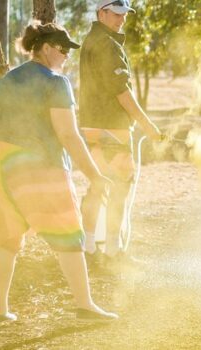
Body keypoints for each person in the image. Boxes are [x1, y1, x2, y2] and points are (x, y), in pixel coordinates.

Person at [0, 22, 117, 322]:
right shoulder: (56, 83)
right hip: (40, 163)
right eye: (62, 49)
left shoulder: (7, 79)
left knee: (6, 237)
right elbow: (68, 135)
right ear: (45, 49)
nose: (67, 55)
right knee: (68, 233)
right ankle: (85, 306)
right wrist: (95, 175)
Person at [78, 0, 163, 259]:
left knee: (97, 184)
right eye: (116, 14)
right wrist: (148, 126)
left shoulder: (91, 40)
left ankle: (89, 247)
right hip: (112, 126)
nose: (122, 19)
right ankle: (113, 250)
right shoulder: (107, 44)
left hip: (92, 124)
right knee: (119, 186)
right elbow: (121, 92)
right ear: (101, 13)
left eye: (124, 14)